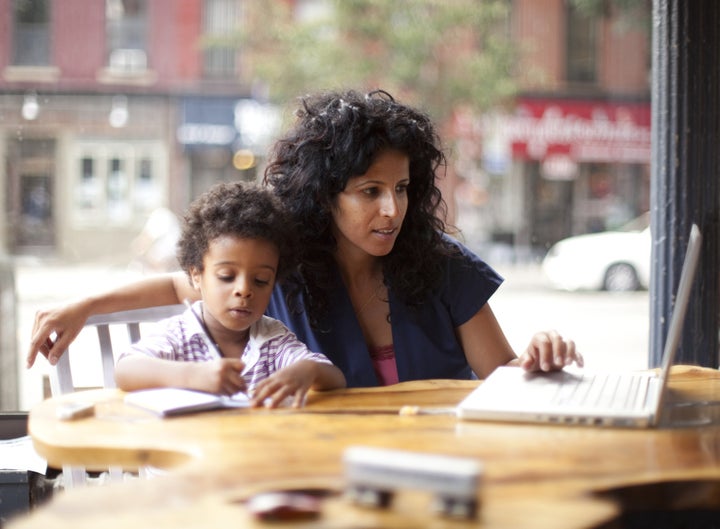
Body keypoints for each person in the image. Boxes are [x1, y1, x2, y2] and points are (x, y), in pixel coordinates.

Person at [28, 88, 582, 387]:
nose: (393, 209)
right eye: (370, 191)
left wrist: (540, 359)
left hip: (442, 474)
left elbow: (502, 377)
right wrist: (81, 308)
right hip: (327, 474)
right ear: (324, 194)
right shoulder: (279, 266)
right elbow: (183, 287)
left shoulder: (441, 265)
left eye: (403, 188)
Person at [114, 181, 346, 407]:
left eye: (261, 280)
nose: (244, 290)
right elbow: (125, 370)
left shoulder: (272, 338)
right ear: (196, 276)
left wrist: (309, 370)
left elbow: (336, 379)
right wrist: (191, 375)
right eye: (226, 276)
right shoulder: (179, 335)